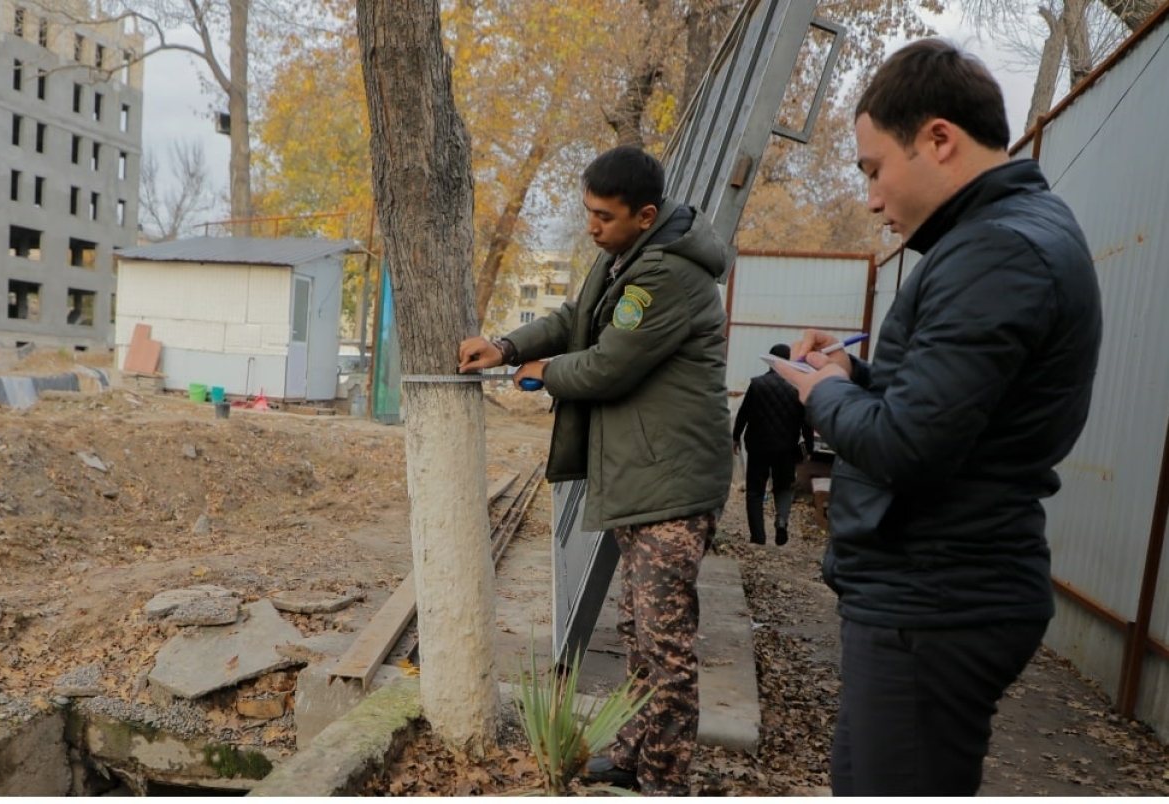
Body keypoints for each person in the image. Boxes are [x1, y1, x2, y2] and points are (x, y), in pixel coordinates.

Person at [771, 39, 1102, 796]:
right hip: (929, 589)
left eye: (874, 169)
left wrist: (819, 396)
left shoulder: (998, 251)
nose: (872, 198)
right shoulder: (1004, 235)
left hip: (937, 599)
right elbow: (954, 405)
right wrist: (853, 373)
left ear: (940, 139)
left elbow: (909, 443)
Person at [459, 145, 732, 795]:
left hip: (670, 482)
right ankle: (639, 755)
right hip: (646, 474)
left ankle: (666, 781)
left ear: (644, 215)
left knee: (664, 645)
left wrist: (543, 372)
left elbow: (609, 365)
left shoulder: (664, 276)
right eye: (587, 213)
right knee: (639, 631)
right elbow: (573, 321)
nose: (590, 226)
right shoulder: (624, 259)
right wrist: (506, 345)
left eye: (602, 216)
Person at [733, 343, 814, 545]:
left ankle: (758, 538)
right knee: (783, 487)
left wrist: (735, 437)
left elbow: (744, 414)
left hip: (758, 447)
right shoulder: (796, 388)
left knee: (754, 492)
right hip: (786, 449)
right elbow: (807, 421)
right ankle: (781, 520)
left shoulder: (757, 384)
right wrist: (809, 449)